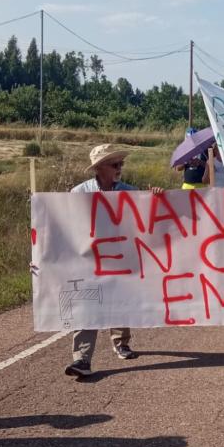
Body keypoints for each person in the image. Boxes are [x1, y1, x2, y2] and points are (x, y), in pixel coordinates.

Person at [65, 144, 156, 378]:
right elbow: (65, 227)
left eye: (121, 164)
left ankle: (121, 342)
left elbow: (144, 222)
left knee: (119, 301)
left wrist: (155, 199)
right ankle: (82, 359)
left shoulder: (129, 191)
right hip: (89, 259)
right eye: (114, 164)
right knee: (86, 307)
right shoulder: (79, 193)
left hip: (119, 256)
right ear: (99, 168)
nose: (119, 168)